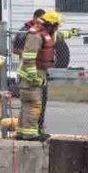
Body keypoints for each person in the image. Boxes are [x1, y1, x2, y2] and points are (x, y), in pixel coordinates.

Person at [16, 10, 64, 141]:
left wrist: (72, 33)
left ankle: (21, 132)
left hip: (31, 76)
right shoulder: (36, 36)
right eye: (56, 26)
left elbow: (57, 37)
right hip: (30, 77)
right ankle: (30, 134)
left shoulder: (43, 34)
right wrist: (34, 78)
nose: (57, 29)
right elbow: (28, 59)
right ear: (51, 25)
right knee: (34, 104)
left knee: (26, 105)